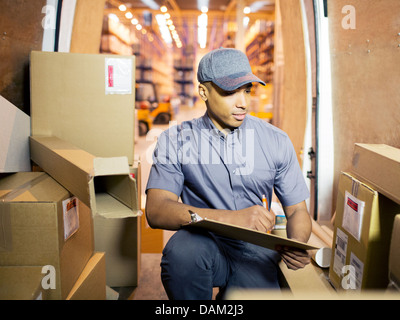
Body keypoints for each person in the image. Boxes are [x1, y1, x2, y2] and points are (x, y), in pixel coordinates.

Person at [145, 47, 312, 300]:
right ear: (204, 92)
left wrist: (296, 243)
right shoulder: (175, 140)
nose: (243, 102)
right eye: (229, 92)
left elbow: (298, 210)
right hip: (203, 244)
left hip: (256, 251)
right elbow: (156, 211)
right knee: (181, 254)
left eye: (246, 90)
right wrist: (233, 218)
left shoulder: (276, 140)